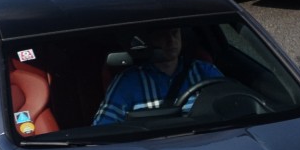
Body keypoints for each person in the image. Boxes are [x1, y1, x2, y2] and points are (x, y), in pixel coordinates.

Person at [92, 27, 223, 125]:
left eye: (174, 33)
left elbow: (231, 106)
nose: (171, 40)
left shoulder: (204, 71)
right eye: (162, 35)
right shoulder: (127, 82)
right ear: (150, 40)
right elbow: (103, 128)